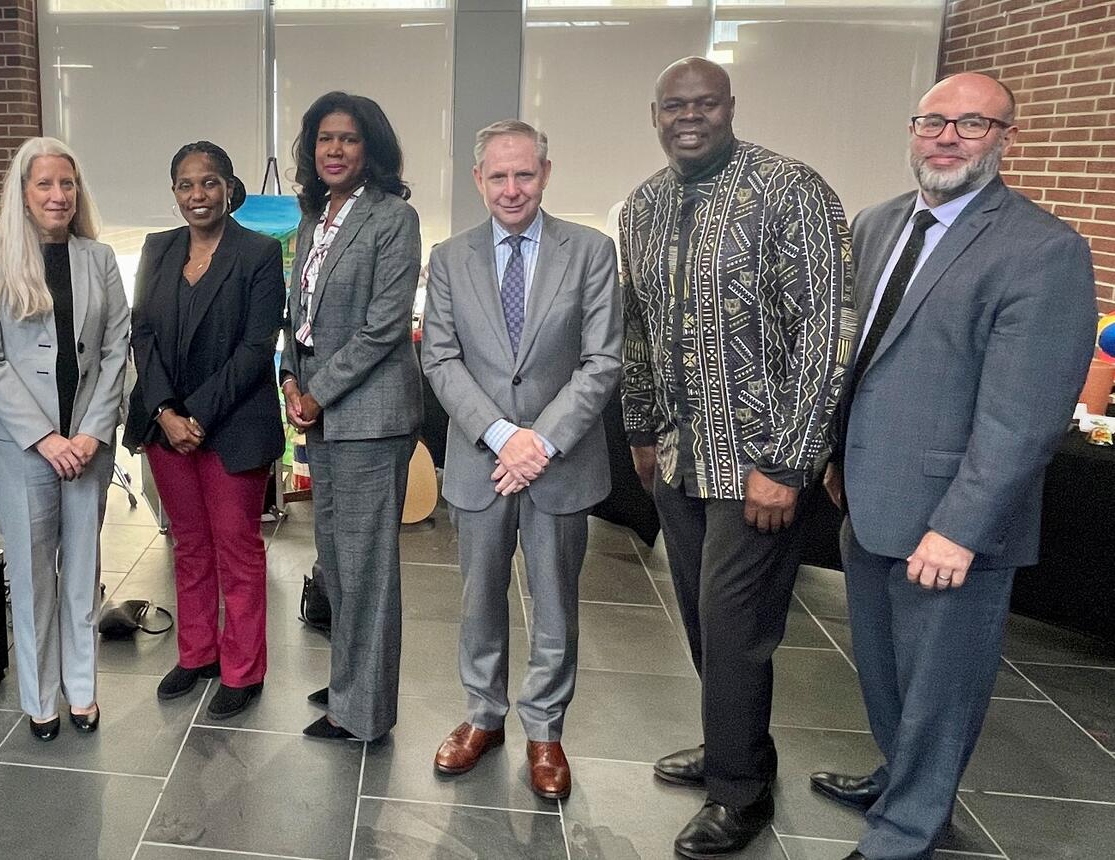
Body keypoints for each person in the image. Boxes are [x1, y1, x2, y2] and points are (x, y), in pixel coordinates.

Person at [811, 73, 1096, 860]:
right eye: (932, 121)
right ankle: (899, 777)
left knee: (941, 689)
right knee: (883, 671)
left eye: (971, 124)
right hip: (868, 497)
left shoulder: (1043, 250)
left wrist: (960, 528)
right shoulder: (875, 225)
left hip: (951, 523)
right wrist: (836, 456)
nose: (946, 137)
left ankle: (908, 831)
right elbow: (857, 358)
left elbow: (1024, 417)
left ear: (1008, 137)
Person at [619, 57, 853, 857]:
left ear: (729, 108)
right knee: (701, 621)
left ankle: (739, 795)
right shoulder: (644, 206)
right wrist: (641, 430)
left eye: (706, 104)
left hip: (756, 467)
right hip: (679, 462)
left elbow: (827, 335)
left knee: (735, 626)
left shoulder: (793, 191)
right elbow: (639, 329)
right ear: (655, 114)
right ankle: (736, 750)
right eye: (675, 105)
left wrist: (788, 463)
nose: (691, 116)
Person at [420, 120, 621, 801]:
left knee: (557, 602)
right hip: (482, 460)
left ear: (546, 173)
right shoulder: (449, 257)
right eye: (498, 176)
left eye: (524, 174)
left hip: (560, 462)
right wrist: (504, 435)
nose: (512, 188)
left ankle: (545, 731)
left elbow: (602, 360)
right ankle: (483, 716)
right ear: (479, 180)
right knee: (479, 598)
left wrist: (541, 441)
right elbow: (440, 358)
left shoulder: (591, 251)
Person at [0, 136, 128, 741]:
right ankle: (41, 698)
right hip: (19, 446)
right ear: (23, 193)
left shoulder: (100, 258)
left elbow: (116, 351)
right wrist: (45, 439)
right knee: (33, 578)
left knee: (82, 572)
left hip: (88, 443)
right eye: (45, 184)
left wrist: (89, 433)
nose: (59, 195)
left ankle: (82, 690)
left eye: (67, 183)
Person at [278, 91, 422, 743]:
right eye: (324, 138)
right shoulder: (315, 214)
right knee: (336, 560)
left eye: (349, 139)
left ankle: (363, 711)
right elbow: (297, 308)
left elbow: (384, 326)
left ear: (372, 149)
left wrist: (317, 392)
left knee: (365, 565)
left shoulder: (394, 218)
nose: (334, 150)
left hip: (368, 413)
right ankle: (349, 677)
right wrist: (288, 374)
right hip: (322, 410)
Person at [124, 142, 284, 719]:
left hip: (234, 424)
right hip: (167, 427)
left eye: (210, 183)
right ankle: (197, 655)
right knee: (188, 546)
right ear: (174, 193)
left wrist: (198, 415)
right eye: (187, 185)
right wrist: (166, 411)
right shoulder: (159, 249)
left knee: (236, 549)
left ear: (229, 187)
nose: (199, 195)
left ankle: (243, 669)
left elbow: (255, 345)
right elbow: (143, 332)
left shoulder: (259, 253)